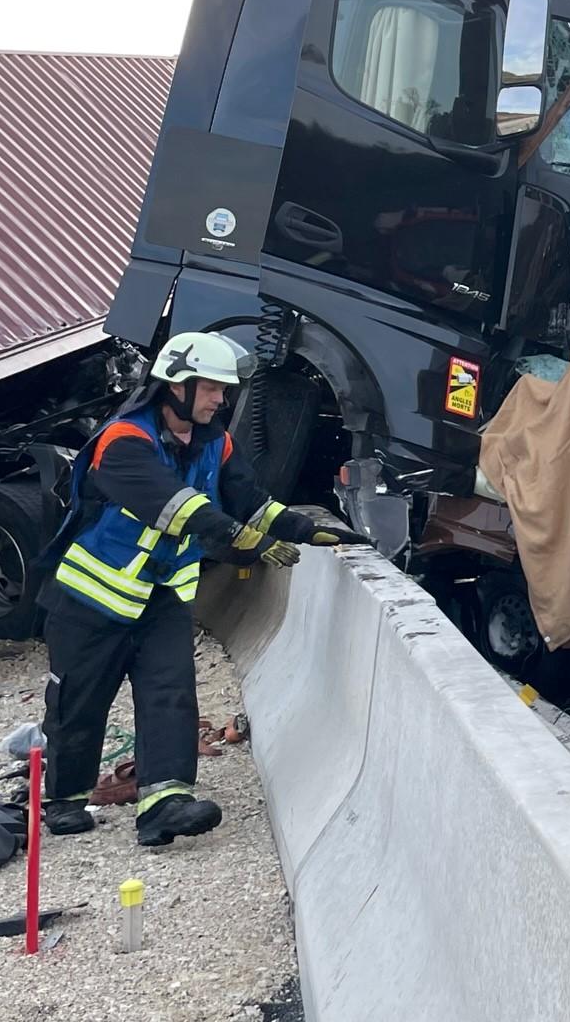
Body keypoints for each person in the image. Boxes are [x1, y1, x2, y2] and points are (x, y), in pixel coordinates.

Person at [39, 331, 368, 845]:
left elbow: (250, 502)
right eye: (212, 389)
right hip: (91, 600)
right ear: (177, 385)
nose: (221, 400)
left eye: (223, 390)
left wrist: (306, 531)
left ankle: (164, 805)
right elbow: (179, 508)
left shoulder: (216, 442)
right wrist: (246, 540)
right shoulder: (122, 441)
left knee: (170, 694)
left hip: (163, 597)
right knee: (77, 703)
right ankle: (65, 798)